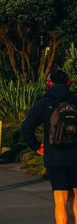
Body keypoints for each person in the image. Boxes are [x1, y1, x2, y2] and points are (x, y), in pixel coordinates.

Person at [22, 67, 77, 224]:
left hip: (55, 158)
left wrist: (36, 146)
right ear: (68, 83)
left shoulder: (43, 104)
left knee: (60, 202)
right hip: (76, 158)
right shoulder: (75, 100)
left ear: (49, 83)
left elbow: (26, 127)